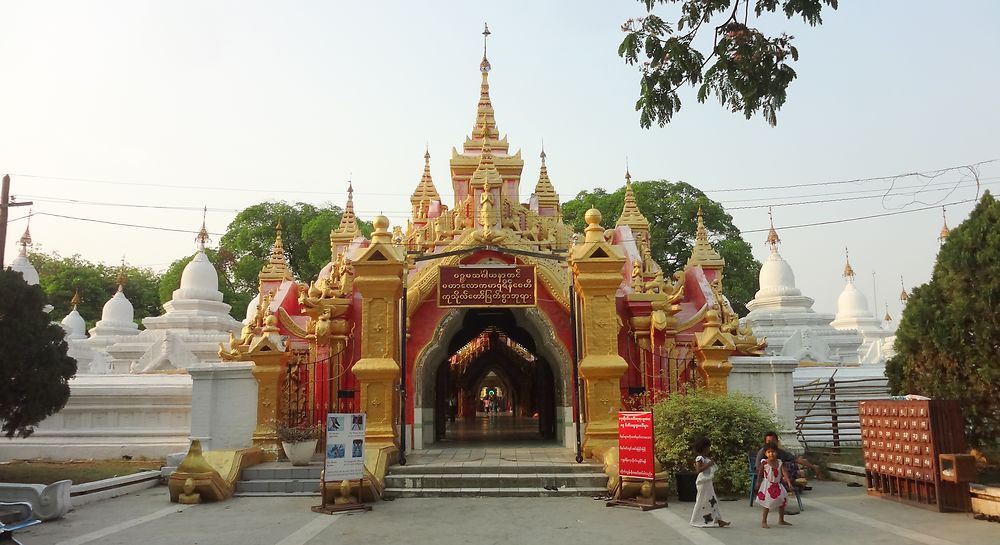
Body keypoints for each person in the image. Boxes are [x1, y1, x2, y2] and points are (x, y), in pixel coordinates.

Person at [689, 436, 731, 529]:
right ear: (703, 447)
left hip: (708, 482)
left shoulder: (706, 457)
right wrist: (708, 464)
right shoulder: (699, 458)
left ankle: (719, 519)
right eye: (708, 447)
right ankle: (695, 519)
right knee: (703, 501)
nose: (709, 449)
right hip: (703, 482)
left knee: (713, 501)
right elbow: (698, 470)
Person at [754, 431, 820, 488]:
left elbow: (796, 459)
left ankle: (795, 479)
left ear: (777, 442)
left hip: (782, 476)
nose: (771, 444)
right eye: (768, 442)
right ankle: (798, 477)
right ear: (765, 443)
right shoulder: (762, 452)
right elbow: (758, 468)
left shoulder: (780, 452)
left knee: (790, 465)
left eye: (773, 441)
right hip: (768, 477)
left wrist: (813, 467)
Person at [757, 444, 795, 528]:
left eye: (773, 452)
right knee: (767, 504)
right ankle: (764, 521)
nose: (771, 454)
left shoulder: (779, 462)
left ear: (776, 452)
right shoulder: (764, 463)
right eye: (769, 452)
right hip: (767, 485)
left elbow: (784, 473)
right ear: (766, 453)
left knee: (782, 501)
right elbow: (760, 473)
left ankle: (781, 520)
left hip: (778, 485)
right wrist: (758, 482)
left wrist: (789, 483)